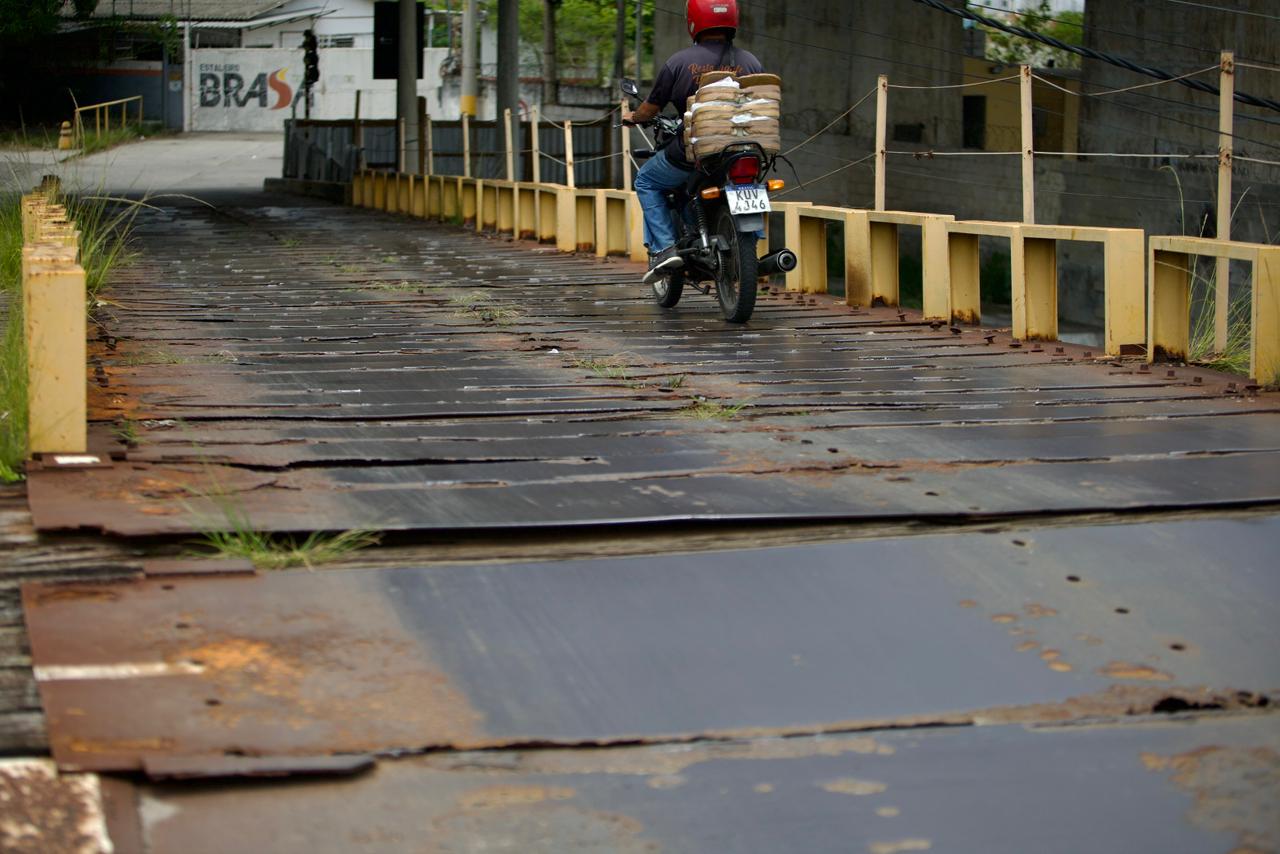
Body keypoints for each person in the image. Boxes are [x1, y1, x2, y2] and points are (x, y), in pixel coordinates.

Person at [623, 0, 764, 283]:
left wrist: (633, 116)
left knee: (647, 182)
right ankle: (748, 238)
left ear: (693, 22)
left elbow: (652, 107)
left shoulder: (678, 62)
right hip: (743, 149)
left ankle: (665, 248)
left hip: (696, 151)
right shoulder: (750, 62)